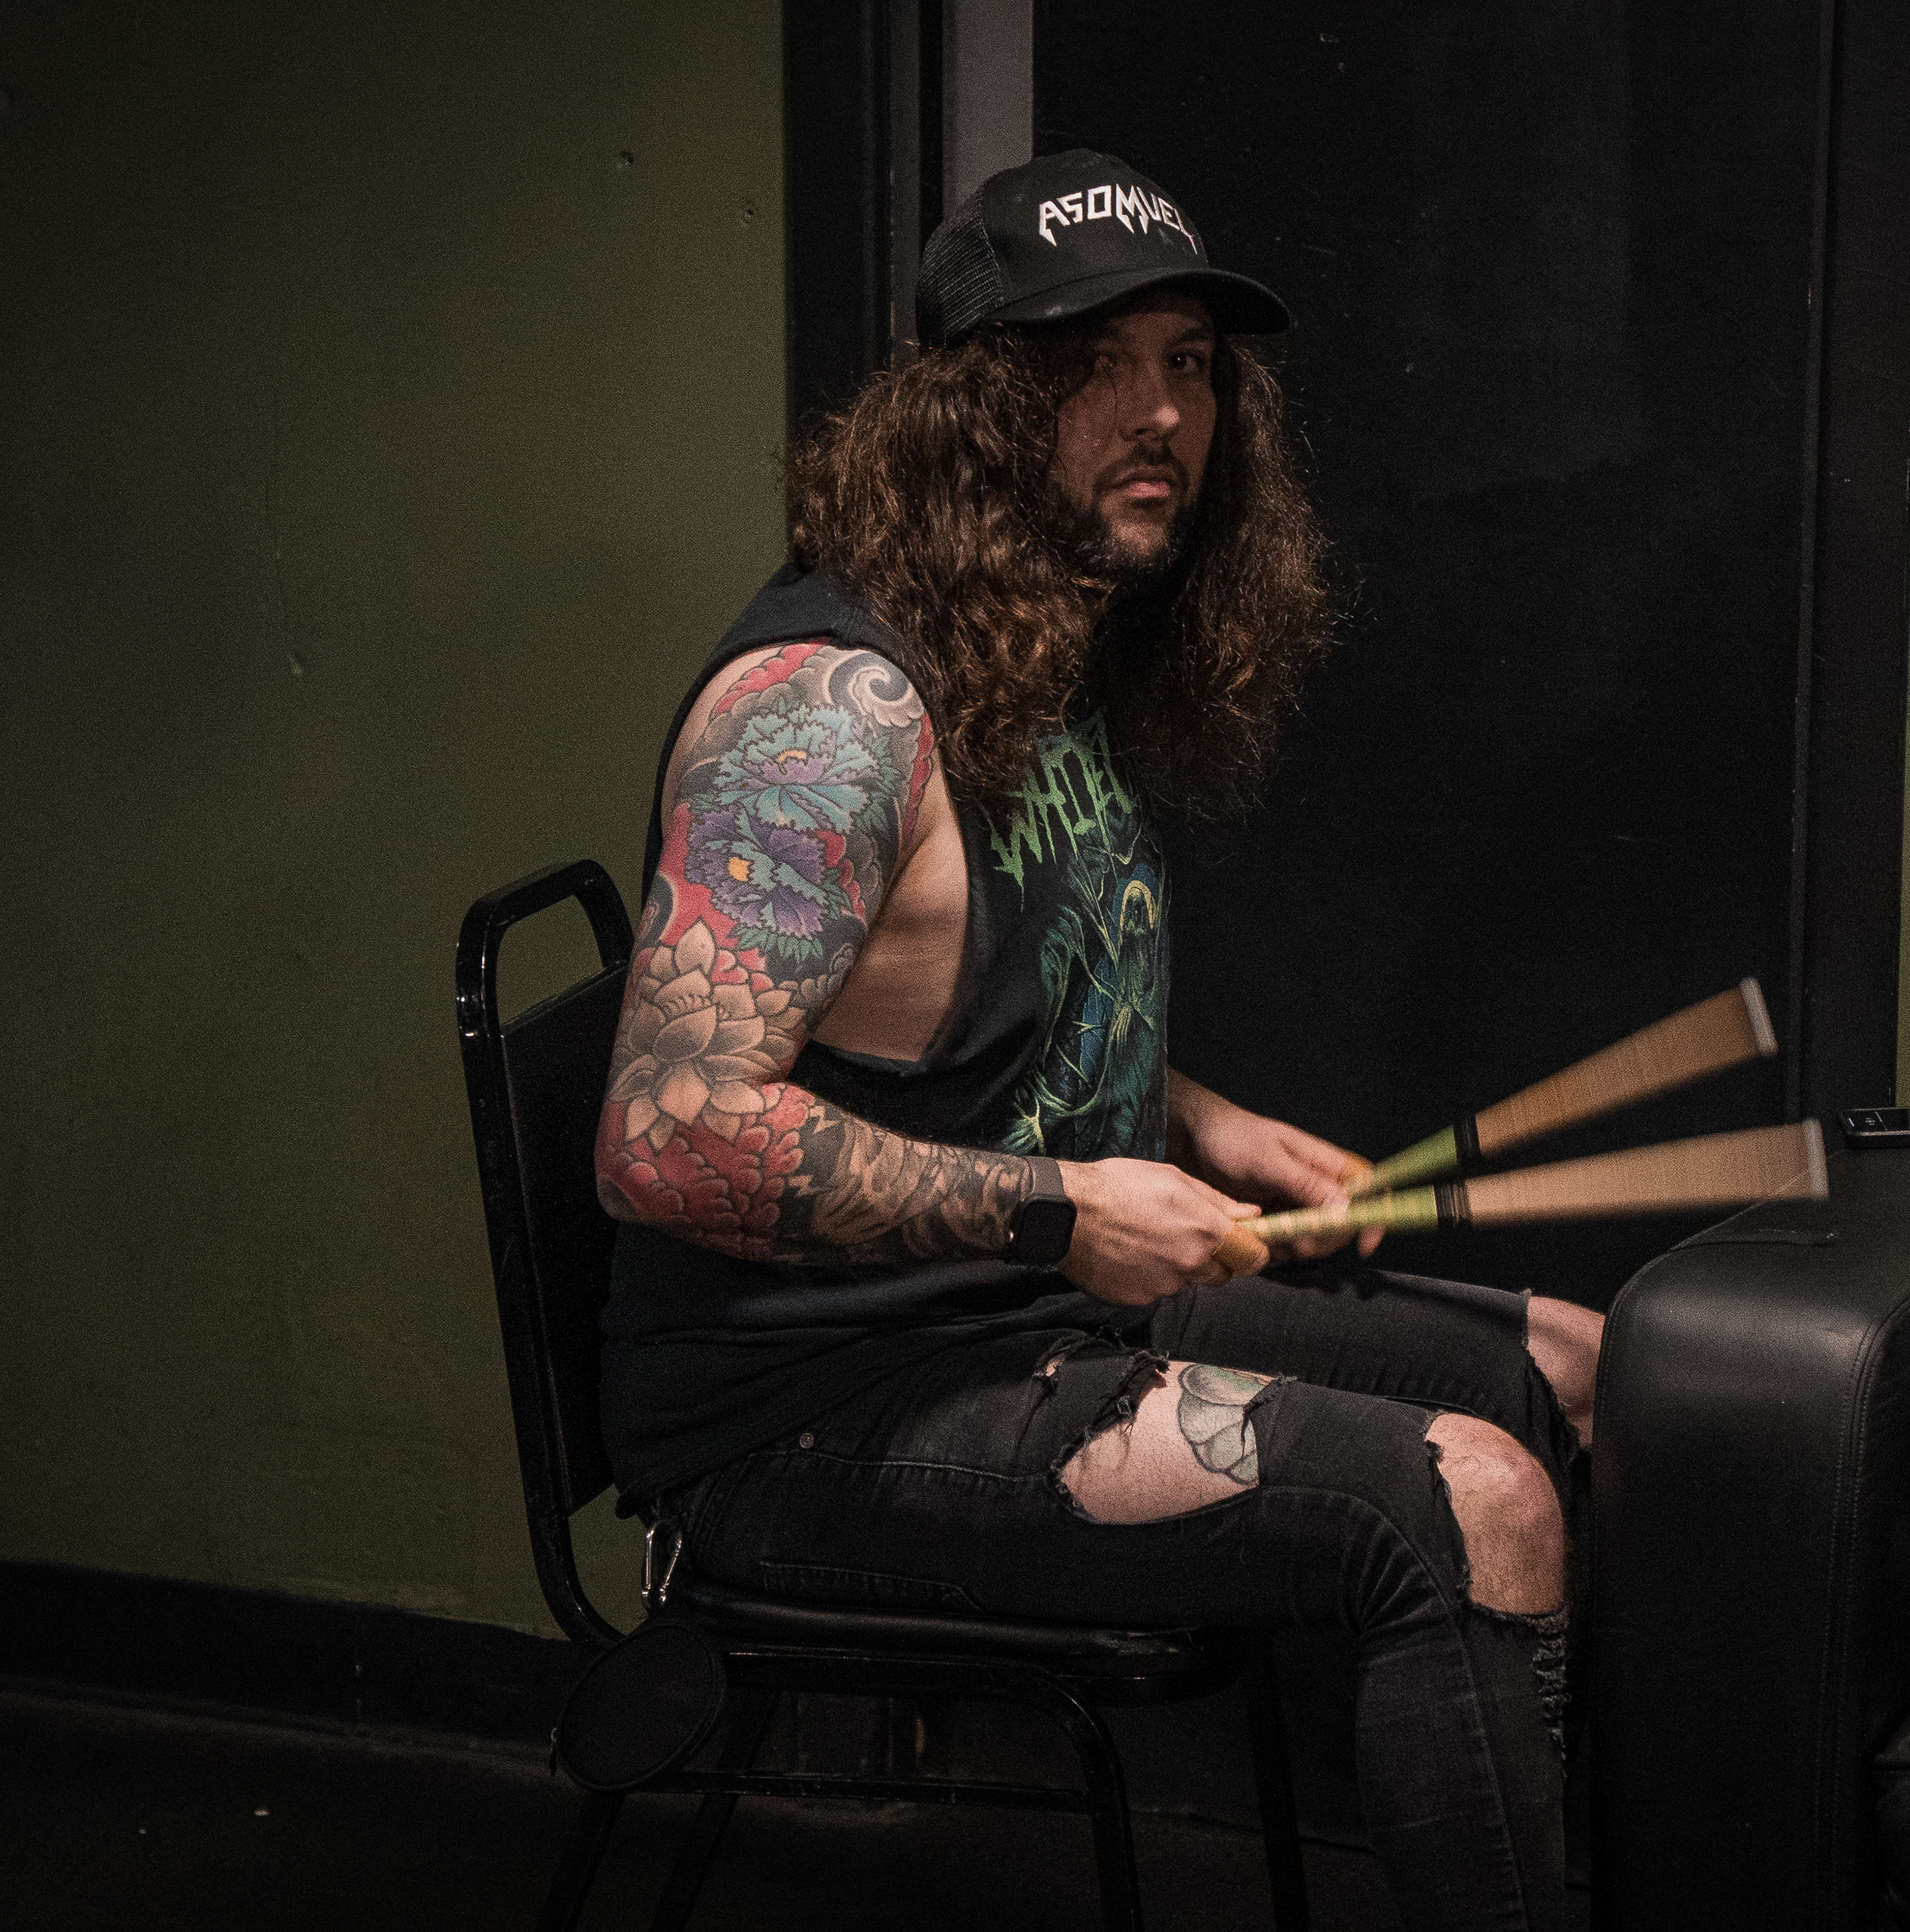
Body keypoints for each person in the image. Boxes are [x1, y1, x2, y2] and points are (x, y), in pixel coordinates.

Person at [593, 149, 1601, 1931]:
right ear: (972, 410)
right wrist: (1065, 1207)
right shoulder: (827, 709)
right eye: (1096, 363)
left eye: (1190, 364)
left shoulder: (1030, 647)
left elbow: (963, 998)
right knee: (1478, 1503)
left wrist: (1196, 1116)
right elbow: (665, 1136)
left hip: (1017, 1318)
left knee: (1589, 1370)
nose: (1164, 415)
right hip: (820, 1412)